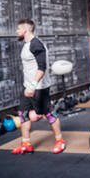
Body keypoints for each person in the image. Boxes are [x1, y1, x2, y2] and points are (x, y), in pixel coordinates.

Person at [12, 18, 66, 154]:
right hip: (28, 87)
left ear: (25, 29)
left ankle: (60, 141)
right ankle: (26, 144)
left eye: (18, 29)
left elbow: (42, 68)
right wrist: (28, 86)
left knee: (48, 114)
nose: (16, 31)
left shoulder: (36, 44)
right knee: (23, 114)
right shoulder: (26, 44)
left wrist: (33, 86)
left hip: (39, 88)